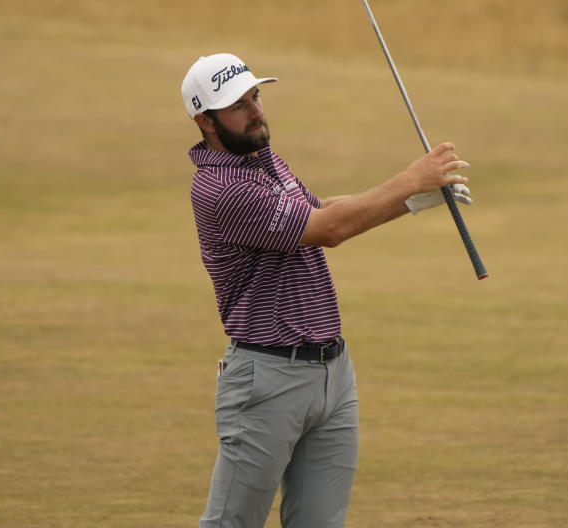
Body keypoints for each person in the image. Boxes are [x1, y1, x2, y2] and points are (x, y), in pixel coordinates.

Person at [183, 53, 472, 528]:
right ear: (205, 121)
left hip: (333, 375)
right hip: (268, 378)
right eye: (238, 105)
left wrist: (413, 200)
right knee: (230, 523)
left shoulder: (262, 159)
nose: (256, 111)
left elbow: (317, 210)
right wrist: (409, 180)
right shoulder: (221, 188)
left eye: (255, 96)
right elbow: (328, 229)